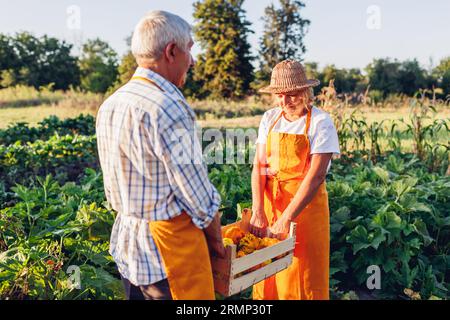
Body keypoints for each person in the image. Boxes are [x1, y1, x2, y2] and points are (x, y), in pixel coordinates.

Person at [96, 10, 225, 300]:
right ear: (171, 51)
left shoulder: (111, 104)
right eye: (190, 50)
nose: (192, 61)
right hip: (168, 257)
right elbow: (200, 201)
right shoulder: (168, 107)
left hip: (129, 248)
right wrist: (219, 248)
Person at [249, 59, 340, 300]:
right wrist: (258, 210)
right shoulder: (270, 118)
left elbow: (316, 175)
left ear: (305, 92)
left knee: (302, 275)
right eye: (279, 95)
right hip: (271, 206)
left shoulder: (321, 122)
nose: (285, 101)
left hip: (305, 210)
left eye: (291, 95)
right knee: (268, 271)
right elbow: (259, 165)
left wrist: (288, 217)